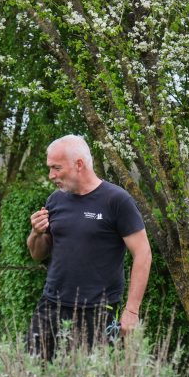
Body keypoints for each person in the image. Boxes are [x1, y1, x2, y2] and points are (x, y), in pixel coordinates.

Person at [27, 134, 151, 359]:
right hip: (51, 306)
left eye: (56, 168)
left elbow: (143, 253)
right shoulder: (55, 200)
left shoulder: (117, 201)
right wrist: (36, 233)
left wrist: (132, 310)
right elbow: (37, 254)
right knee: (35, 375)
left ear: (79, 164)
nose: (51, 175)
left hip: (98, 312)